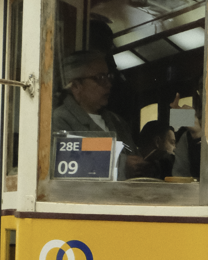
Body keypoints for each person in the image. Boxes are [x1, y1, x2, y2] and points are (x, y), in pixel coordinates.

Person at [52, 51, 143, 180]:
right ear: (76, 86)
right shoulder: (59, 119)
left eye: (108, 77)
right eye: (100, 78)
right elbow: (65, 166)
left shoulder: (117, 121)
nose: (109, 84)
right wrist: (121, 166)